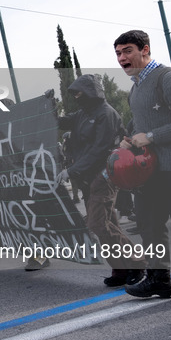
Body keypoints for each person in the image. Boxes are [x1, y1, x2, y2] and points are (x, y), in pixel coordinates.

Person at [57, 73, 145, 286]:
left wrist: (73, 171)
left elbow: (100, 149)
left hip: (105, 173)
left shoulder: (106, 113)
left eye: (79, 92)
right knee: (106, 223)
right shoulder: (83, 113)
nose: (76, 96)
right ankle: (121, 268)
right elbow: (61, 122)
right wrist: (47, 108)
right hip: (90, 176)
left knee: (97, 223)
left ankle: (138, 263)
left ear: (90, 91)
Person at [114, 30, 171, 300]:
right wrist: (129, 139)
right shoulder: (136, 87)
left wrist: (152, 136)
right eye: (118, 53)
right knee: (149, 225)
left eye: (128, 50)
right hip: (151, 172)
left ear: (145, 49)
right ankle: (159, 280)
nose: (122, 58)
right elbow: (141, 125)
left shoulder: (168, 79)